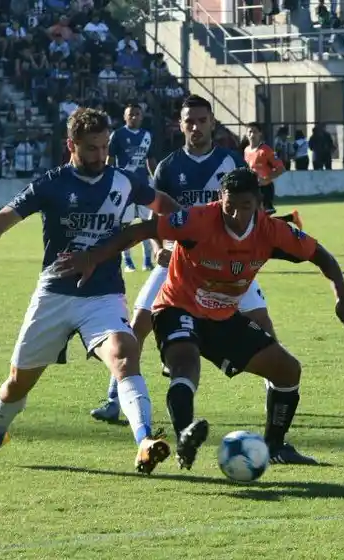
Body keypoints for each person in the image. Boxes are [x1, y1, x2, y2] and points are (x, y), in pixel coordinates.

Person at [57, 167, 344, 466]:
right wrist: (92, 257)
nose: (235, 215)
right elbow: (141, 229)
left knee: (287, 371)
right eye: (229, 206)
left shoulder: (272, 231)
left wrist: (343, 297)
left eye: (245, 206)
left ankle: (275, 446)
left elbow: (321, 255)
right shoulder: (197, 220)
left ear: (259, 205)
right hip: (177, 307)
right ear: (220, 200)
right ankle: (184, 438)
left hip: (222, 317)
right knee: (185, 363)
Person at [0, 108, 180, 474]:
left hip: (103, 296)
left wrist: (178, 231)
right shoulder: (51, 183)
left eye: (105, 146)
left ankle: (144, 441)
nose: (100, 156)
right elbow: (1, 223)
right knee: (17, 385)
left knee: (125, 352)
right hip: (55, 295)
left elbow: (164, 206)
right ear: (71, 145)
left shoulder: (124, 181)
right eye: (91, 148)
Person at [89, 95, 286, 423]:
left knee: (264, 326)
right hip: (179, 263)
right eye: (189, 121)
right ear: (180, 126)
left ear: (212, 123)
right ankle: (114, 398)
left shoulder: (231, 162)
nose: (195, 126)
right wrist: (157, 247)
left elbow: (254, 212)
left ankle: (276, 399)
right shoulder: (168, 167)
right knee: (137, 325)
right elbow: (155, 212)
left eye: (201, 120)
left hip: (228, 265)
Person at [108, 103, 157, 272]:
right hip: (124, 186)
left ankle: (147, 260)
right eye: (131, 114)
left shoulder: (147, 136)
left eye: (137, 114)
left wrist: (155, 179)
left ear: (142, 116)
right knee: (125, 224)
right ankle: (127, 261)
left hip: (143, 185)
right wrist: (110, 181)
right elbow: (110, 159)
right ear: (125, 116)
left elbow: (150, 160)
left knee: (147, 224)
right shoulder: (118, 135)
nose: (134, 117)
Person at [244, 121, 301, 226]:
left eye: (255, 132)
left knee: (261, 222)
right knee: (257, 221)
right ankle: (292, 217)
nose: (252, 135)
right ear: (246, 134)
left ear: (260, 133)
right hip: (253, 189)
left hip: (265, 190)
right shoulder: (246, 151)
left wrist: (266, 178)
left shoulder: (266, 150)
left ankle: (291, 219)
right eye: (250, 132)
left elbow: (281, 169)